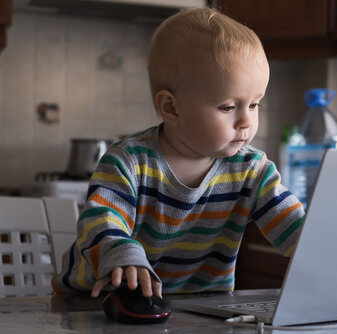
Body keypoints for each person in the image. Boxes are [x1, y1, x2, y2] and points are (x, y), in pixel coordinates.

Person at [52, 7, 305, 298]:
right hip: (96, 303)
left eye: (254, 104)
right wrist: (122, 253)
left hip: (199, 311)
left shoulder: (252, 169)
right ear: (172, 108)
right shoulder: (128, 162)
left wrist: (330, 249)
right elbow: (101, 221)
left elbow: (294, 226)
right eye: (228, 107)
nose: (246, 121)